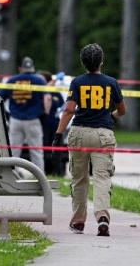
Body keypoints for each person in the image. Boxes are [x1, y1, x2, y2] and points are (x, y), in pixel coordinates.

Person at [54, 43, 126, 237]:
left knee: (79, 179)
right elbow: (122, 109)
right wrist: (112, 115)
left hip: (78, 134)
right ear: (101, 61)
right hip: (103, 134)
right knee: (102, 178)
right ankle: (102, 217)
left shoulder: (77, 82)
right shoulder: (111, 82)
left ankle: (78, 222)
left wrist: (58, 135)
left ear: (83, 62)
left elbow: (69, 110)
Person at [0, 56, 48, 172]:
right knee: (36, 151)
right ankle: (39, 177)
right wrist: (46, 113)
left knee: (14, 151)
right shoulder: (39, 80)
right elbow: (48, 98)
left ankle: (13, 175)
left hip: (15, 120)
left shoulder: (12, 81)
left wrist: (5, 112)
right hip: (33, 120)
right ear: (33, 68)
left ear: (20, 68)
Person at [39, 71, 66, 176]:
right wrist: (53, 80)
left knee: (56, 150)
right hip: (44, 125)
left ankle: (58, 172)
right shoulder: (40, 90)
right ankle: (45, 172)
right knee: (44, 150)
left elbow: (62, 104)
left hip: (55, 125)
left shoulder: (55, 92)